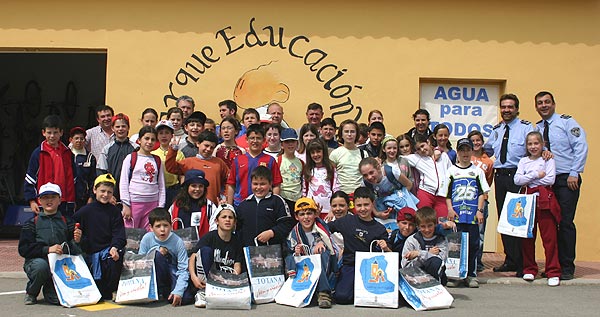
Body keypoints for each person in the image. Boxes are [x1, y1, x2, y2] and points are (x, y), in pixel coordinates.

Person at [534, 91, 588, 280]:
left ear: (554, 104)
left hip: (567, 179)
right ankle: (553, 267)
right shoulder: (538, 128)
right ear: (536, 107)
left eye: (547, 102)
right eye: (540, 103)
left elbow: (581, 146)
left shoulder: (567, 122)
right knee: (550, 224)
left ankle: (566, 266)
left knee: (565, 222)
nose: (543, 105)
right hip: (548, 181)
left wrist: (575, 172)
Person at [483, 93, 533, 276]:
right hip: (501, 177)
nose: (506, 110)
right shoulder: (497, 129)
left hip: (518, 176)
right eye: (503, 107)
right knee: (505, 219)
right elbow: (487, 148)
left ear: (517, 109)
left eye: (510, 107)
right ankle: (510, 259)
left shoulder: (526, 128)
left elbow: (534, 149)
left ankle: (523, 263)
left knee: (518, 219)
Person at [18, 183, 82, 305]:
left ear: (60, 200)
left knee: (56, 300)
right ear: (39, 200)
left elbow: (76, 250)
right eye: (45, 197)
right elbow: (24, 249)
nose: (49, 200)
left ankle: (50, 288)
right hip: (38, 262)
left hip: (61, 265)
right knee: (41, 267)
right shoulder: (31, 223)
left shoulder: (68, 222)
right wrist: (47, 249)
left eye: (53, 197)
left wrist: (77, 241)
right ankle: (31, 292)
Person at [514, 131, 562, 286]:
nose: (533, 147)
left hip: (544, 198)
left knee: (549, 237)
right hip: (527, 199)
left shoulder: (548, 159)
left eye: (536, 143)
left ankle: (553, 271)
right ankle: (529, 268)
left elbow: (550, 178)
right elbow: (517, 179)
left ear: (542, 144)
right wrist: (536, 174)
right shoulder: (523, 161)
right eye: (530, 144)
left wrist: (529, 178)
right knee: (528, 236)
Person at [327, 187, 389, 304]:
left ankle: (360, 291)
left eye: (366, 205)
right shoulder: (347, 221)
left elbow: (390, 255)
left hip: (371, 268)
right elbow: (324, 229)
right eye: (359, 205)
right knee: (341, 297)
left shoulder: (380, 229)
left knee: (376, 297)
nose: (363, 209)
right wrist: (320, 241)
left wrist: (385, 247)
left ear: (373, 204)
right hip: (350, 265)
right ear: (353, 205)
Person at [73, 174, 126, 299]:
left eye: (109, 192)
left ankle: (113, 289)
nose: (105, 195)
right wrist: (78, 238)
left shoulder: (115, 212)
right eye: (102, 191)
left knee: (115, 257)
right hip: (89, 253)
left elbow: (119, 234)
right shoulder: (85, 211)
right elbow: (72, 227)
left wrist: (114, 247)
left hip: (107, 252)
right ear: (94, 190)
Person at [446, 138, 489, 288]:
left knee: (473, 245)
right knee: (455, 245)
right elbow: (447, 194)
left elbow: (482, 193)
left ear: (472, 151)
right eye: (462, 150)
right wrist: (450, 209)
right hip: (457, 216)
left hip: (472, 216)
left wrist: (479, 210)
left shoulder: (477, 171)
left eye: (468, 150)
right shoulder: (451, 171)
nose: (465, 153)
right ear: (457, 152)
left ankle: (471, 274)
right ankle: (455, 275)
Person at [285, 197, 339, 309]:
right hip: (305, 270)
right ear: (296, 216)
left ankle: (323, 293)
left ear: (315, 214)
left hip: (324, 267)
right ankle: (313, 291)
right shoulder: (294, 234)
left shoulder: (322, 228)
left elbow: (333, 250)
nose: (306, 217)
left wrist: (320, 243)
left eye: (309, 213)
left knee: (323, 252)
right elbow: (289, 254)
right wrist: (297, 252)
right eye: (302, 214)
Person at [188, 204, 242, 308]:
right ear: (217, 221)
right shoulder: (209, 237)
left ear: (235, 222)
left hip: (224, 278)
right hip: (205, 278)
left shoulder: (237, 240)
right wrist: (193, 277)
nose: (227, 220)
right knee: (205, 251)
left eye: (230, 217)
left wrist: (232, 281)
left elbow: (237, 264)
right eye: (224, 217)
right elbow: (193, 257)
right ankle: (202, 292)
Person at [138, 207, 194, 306]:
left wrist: (178, 291)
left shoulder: (177, 242)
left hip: (172, 272)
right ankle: (159, 290)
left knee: (185, 299)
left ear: (171, 226)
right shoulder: (147, 239)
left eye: (165, 225)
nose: (162, 230)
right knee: (157, 255)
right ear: (151, 228)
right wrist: (155, 251)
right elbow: (140, 264)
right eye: (158, 226)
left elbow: (183, 270)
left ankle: (169, 291)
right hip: (155, 275)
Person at [24, 115, 76, 217]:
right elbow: (30, 179)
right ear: (43, 133)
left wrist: (72, 201)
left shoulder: (68, 153)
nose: (52, 136)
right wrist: (32, 201)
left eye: (55, 132)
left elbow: (74, 180)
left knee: (64, 230)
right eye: (49, 132)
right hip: (43, 203)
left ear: (61, 132)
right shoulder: (38, 153)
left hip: (64, 203)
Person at [120, 126, 166, 230]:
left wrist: (160, 206)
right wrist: (126, 204)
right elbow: (123, 182)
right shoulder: (131, 158)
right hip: (134, 203)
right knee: (131, 235)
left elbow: (161, 185)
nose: (149, 142)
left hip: (152, 204)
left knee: (150, 234)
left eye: (153, 139)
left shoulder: (157, 160)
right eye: (146, 138)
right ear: (139, 140)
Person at [235, 166, 294, 247]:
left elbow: (287, 224)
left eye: (262, 184)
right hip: (248, 251)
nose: (258, 187)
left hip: (272, 252)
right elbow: (238, 229)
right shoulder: (244, 205)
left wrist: (271, 232)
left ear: (270, 184)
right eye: (255, 184)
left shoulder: (277, 201)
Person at [167, 130, 229, 205]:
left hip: (213, 205)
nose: (208, 149)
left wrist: (225, 196)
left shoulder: (219, 163)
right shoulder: (188, 162)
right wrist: (173, 150)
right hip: (191, 204)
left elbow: (229, 180)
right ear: (198, 144)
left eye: (212, 147)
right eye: (206, 146)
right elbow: (170, 167)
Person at [226, 124, 282, 207]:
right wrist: (229, 207)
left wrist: (273, 204)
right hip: (240, 204)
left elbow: (276, 185)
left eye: (258, 138)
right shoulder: (238, 160)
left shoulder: (270, 160)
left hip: (264, 204)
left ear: (264, 140)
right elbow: (231, 185)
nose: (255, 141)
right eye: (252, 138)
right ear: (246, 140)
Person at [359, 157, 416, 232]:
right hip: (383, 204)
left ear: (378, 168)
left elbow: (409, 184)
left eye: (371, 172)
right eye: (365, 175)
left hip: (401, 201)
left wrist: (398, 199)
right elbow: (368, 200)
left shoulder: (391, 171)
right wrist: (377, 214)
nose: (369, 177)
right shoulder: (365, 183)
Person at [404, 133, 453, 218]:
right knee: (423, 220)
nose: (422, 150)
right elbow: (399, 158)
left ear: (428, 142)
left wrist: (439, 150)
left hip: (442, 195)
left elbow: (451, 172)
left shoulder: (443, 156)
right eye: (418, 149)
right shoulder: (417, 158)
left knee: (443, 222)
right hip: (426, 193)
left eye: (423, 146)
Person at [96, 113, 138, 202]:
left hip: (132, 194)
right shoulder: (107, 149)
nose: (120, 129)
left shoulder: (136, 148)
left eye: (123, 126)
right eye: (117, 127)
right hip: (111, 195)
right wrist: (108, 194)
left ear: (128, 128)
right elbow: (102, 173)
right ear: (113, 128)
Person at [468, 130, 494, 272]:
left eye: (478, 140)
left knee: (480, 232)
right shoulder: (465, 157)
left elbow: (488, 183)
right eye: (472, 140)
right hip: (465, 201)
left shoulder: (488, 162)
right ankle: (465, 262)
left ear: (482, 142)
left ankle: (477, 261)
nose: (476, 143)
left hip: (481, 201)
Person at [401, 206, 448, 285]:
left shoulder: (441, 239)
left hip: (435, 275)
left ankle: (435, 287)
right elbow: (405, 266)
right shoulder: (411, 240)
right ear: (418, 226)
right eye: (423, 226)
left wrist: (419, 254)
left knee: (435, 261)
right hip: (415, 276)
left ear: (435, 224)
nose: (427, 230)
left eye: (430, 226)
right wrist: (428, 254)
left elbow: (441, 260)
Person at [168, 169, 218, 237]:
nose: (197, 189)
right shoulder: (176, 205)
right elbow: (169, 226)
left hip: (202, 245)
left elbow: (214, 229)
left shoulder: (210, 206)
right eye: (194, 186)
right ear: (187, 187)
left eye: (200, 186)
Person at [302, 139, 340, 219]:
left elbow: (336, 189)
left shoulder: (331, 168)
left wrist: (333, 210)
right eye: (312, 153)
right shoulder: (307, 170)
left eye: (318, 151)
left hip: (328, 211)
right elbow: (304, 191)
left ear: (324, 152)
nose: (316, 155)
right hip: (311, 210)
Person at [152, 120, 184, 207]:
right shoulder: (153, 154)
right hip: (158, 190)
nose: (164, 136)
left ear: (172, 135)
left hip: (174, 190)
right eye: (161, 133)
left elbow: (182, 174)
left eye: (167, 133)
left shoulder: (179, 153)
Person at [330, 119, 365, 194]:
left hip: (359, 195)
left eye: (352, 131)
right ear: (341, 134)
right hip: (341, 194)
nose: (349, 134)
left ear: (357, 134)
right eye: (346, 131)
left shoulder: (363, 153)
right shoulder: (335, 153)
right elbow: (331, 176)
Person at [69, 126, 96, 211]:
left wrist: (91, 197)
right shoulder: (66, 155)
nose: (79, 141)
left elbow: (93, 179)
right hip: (68, 198)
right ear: (71, 140)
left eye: (81, 139)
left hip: (84, 199)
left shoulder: (90, 157)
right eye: (76, 138)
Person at [278, 128, 303, 212]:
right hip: (283, 198)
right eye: (287, 142)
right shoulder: (277, 160)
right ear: (282, 144)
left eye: (293, 141)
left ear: (297, 143)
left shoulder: (301, 162)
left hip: (297, 199)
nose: (290, 144)